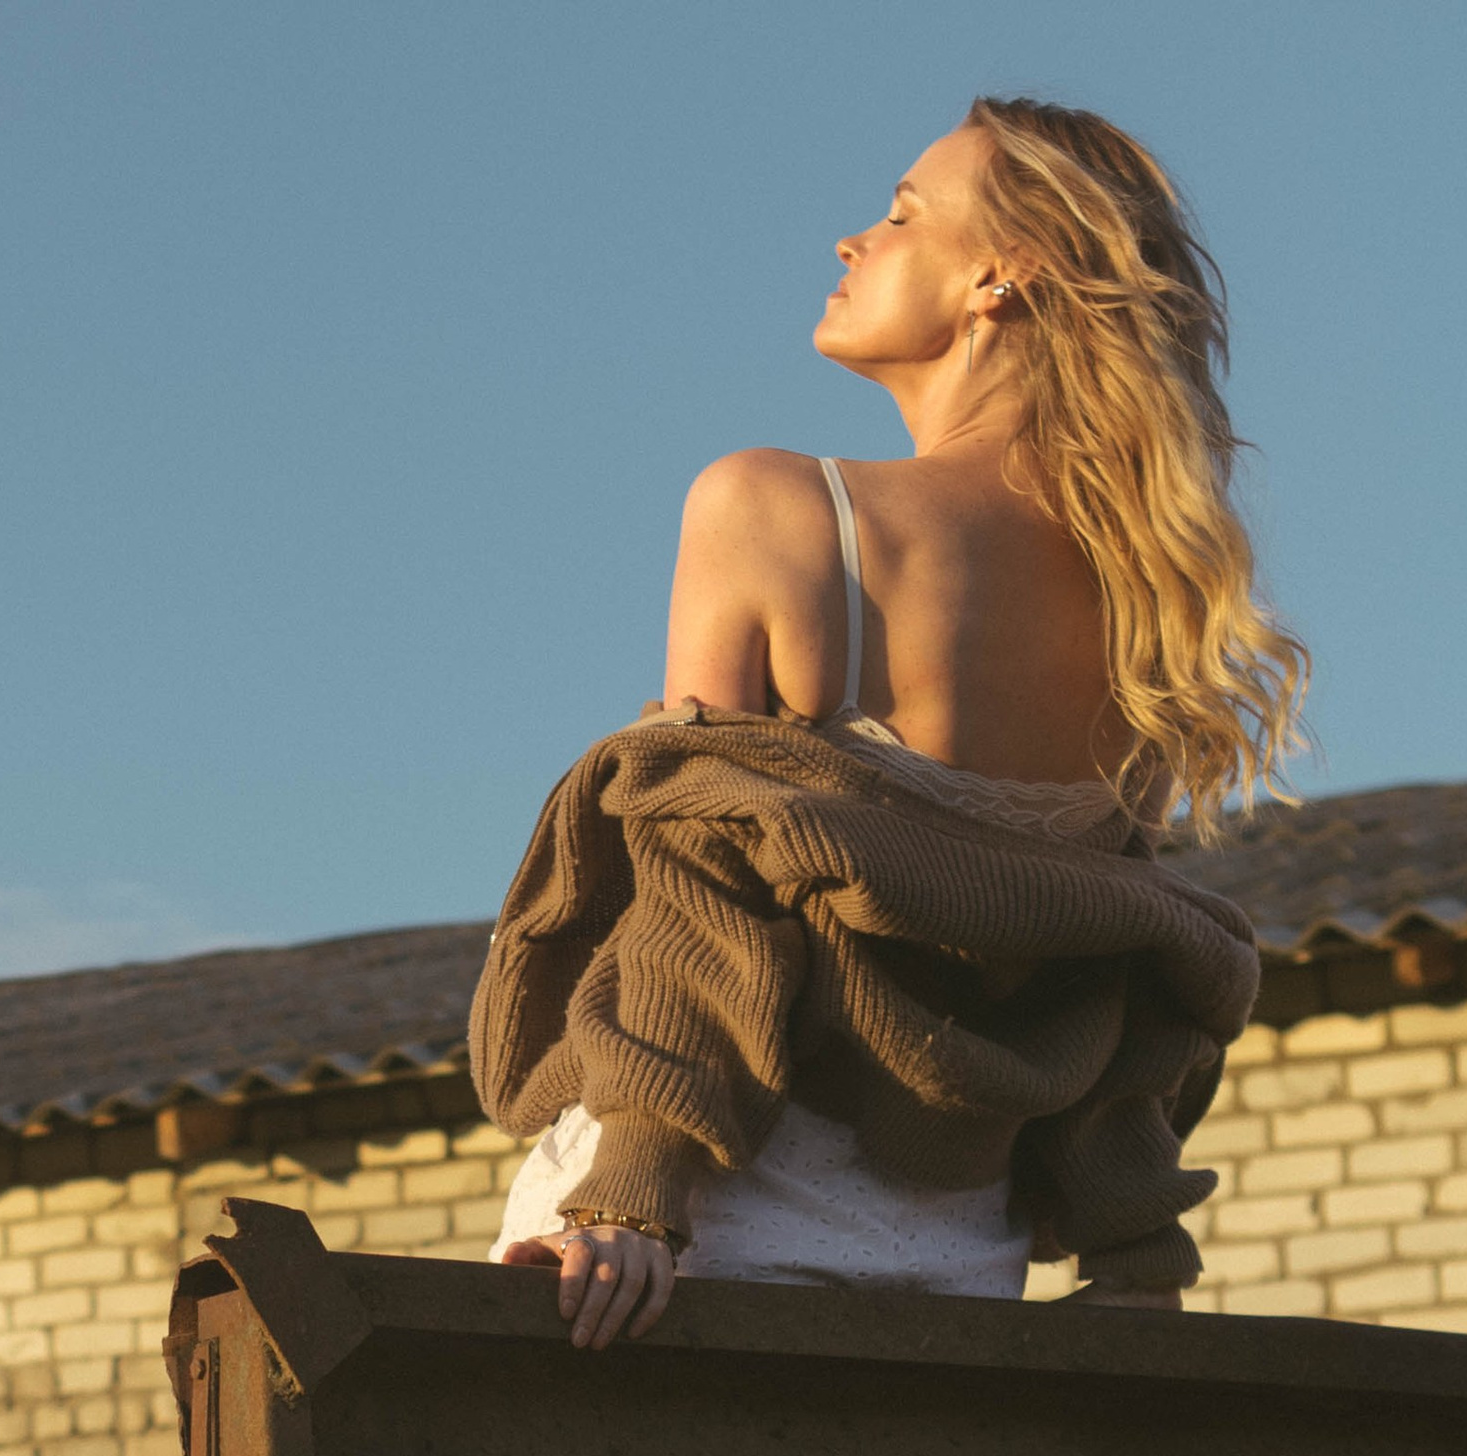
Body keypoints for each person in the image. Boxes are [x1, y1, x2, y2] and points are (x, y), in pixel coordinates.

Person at [473, 95, 1307, 1350]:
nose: (850, 240)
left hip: (688, 1225)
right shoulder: (1149, 602)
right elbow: (1104, 967)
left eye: (903, 212)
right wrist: (1138, 1258)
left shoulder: (773, 507)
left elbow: (698, 885)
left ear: (998, 279)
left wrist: (633, 1194)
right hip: (958, 1252)